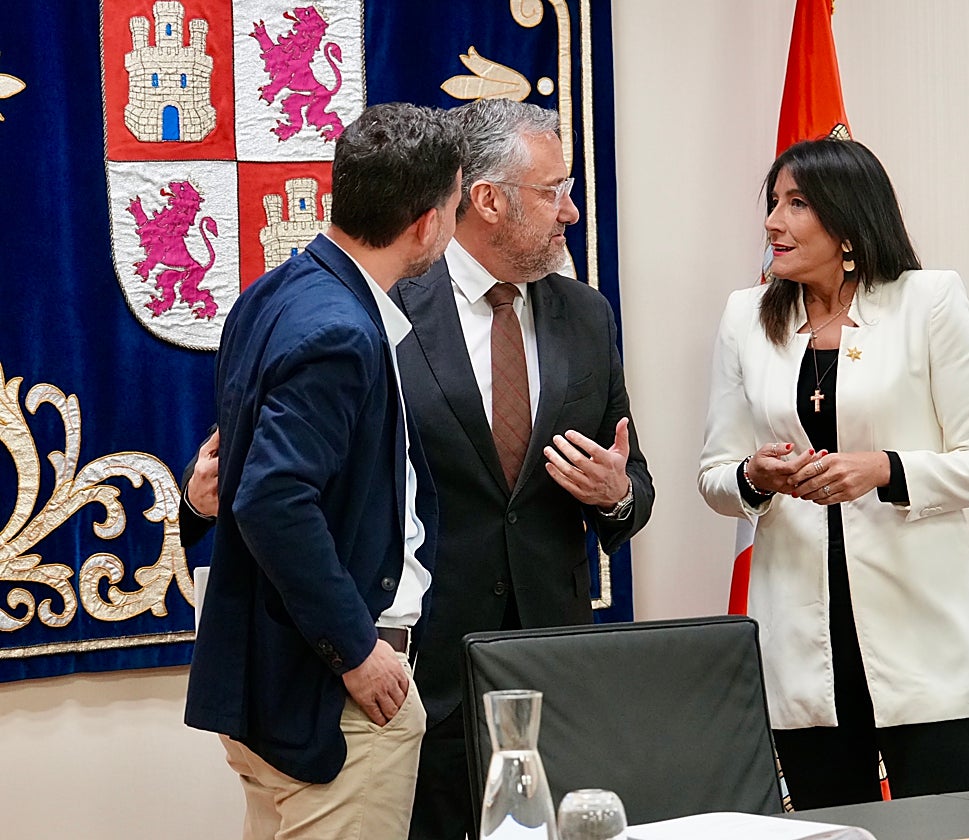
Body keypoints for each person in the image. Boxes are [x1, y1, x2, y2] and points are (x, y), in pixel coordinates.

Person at [698, 139, 969, 809]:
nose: (773, 222)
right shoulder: (744, 318)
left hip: (922, 638)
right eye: (773, 203)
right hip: (802, 645)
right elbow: (715, 476)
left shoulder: (928, 301)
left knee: (950, 829)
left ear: (848, 222)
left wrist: (885, 469)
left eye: (797, 204)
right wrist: (755, 476)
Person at [183, 102, 465, 840]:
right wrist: (358, 650)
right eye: (453, 208)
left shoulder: (272, 293)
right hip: (334, 701)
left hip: (275, 687)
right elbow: (272, 499)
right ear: (426, 224)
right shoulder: (340, 329)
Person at [391, 98, 654, 840]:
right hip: (426, 669)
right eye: (553, 191)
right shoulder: (392, 310)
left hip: (552, 667)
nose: (571, 211)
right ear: (487, 200)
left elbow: (635, 485)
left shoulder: (586, 315)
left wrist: (616, 492)